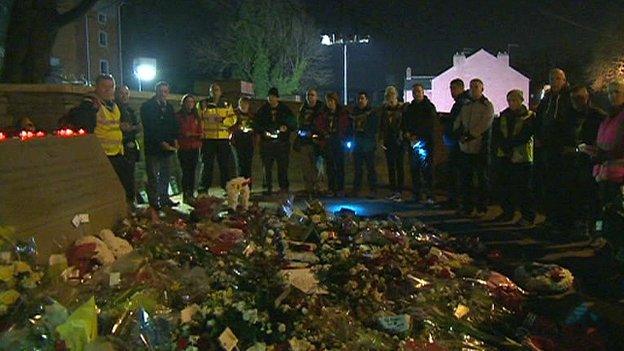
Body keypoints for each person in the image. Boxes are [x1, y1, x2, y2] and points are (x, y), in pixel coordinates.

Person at [70, 74, 133, 205]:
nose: (108, 90)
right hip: (102, 154)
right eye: (104, 87)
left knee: (126, 184)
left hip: (117, 152)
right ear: (96, 87)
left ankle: (127, 210)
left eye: (111, 87)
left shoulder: (113, 105)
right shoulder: (92, 104)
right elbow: (84, 124)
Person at [581, 78, 624, 259]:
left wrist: (604, 154)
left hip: (618, 172)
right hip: (604, 171)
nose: (612, 96)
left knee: (616, 212)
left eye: (617, 92)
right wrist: (594, 150)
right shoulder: (609, 116)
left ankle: (616, 246)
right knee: (603, 210)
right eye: (610, 92)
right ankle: (604, 239)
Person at [534, 68, 576, 232]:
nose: (555, 81)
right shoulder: (547, 98)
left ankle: (563, 222)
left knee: (562, 187)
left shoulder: (568, 98)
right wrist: (538, 136)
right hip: (547, 147)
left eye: (558, 78)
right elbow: (539, 119)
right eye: (552, 78)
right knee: (549, 185)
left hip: (562, 148)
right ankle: (551, 218)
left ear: (564, 80)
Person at [491, 90, 536, 226]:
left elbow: (525, 135)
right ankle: (507, 212)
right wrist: (504, 146)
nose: (511, 103)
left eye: (514, 100)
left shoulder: (529, 116)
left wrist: (509, 145)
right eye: (509, 100)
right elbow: (497, 133)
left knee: (524, 188)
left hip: (522, 157)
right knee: (505, 186)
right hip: (505, 156)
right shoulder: (504, 115)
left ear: (521, 100)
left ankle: (527, 216)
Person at [453, 78, 494, 216]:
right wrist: (459, 133)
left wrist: (469, 135)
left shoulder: (487, 105)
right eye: (471, 87)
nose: (473, 89)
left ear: (482, 89)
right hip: (465, 147)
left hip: (480, 147)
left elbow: (484, 124)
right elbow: (458, 121)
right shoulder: (466, 105)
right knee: (466, 179)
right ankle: (467, 207)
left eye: (476, 87)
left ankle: (482, 208)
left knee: (482, 179)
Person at [570, 85, 607, 234]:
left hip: (594, 163)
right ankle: (585, 227)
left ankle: (598, 231)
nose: (577, 102)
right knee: (581, 196)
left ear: (587, 98)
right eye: (574, 99)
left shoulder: (598, 116)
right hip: (578, 162)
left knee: (596, 200)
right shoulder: (572, 116)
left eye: (580, 98)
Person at [140, 81, 179, 211]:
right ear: (156, 91)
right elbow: (150, 127)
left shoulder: (169, 107)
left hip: (167, 148)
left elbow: (173, 125)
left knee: (165, 174)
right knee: (153, 176)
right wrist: (160, 142)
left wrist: (174, 140)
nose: (163, 94)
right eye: (161, 91)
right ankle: (153, 201)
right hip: (153, 147)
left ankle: (164, 197)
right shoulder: (147, 106)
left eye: (165, 91)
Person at [253, 87, 296, 195]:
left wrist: (286, 127)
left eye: (273, 98)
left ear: (277, 98)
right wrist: (263, 132)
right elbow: (256, 124)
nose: (271, 100)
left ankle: (283, 187)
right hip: (267, 143)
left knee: (282, 167)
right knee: (266, 167)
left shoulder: (284, 109)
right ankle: (267, 187)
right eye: (269, 98)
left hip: (282, 143)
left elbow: (293, 123)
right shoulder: (263, 110)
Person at [199, 83, 237, 192]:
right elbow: (198, 119)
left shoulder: (226, 104)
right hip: (208, 139)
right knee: (207, 165)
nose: (215, 92)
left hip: (223, 138)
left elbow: (233, 118)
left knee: (224, 164)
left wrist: (223, 121)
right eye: (212, 90)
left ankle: (226, 187)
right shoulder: (203, 104)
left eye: (217, 90)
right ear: (209, 92)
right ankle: (203, 188)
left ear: (220, 92)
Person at [402, 83, 437, 203]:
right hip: (412, 142)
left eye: (418, 91)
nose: (416, 94)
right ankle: (417, 194)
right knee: (414, 169)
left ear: (423, 92)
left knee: (427, 170)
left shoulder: (429, 107)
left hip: (425, 143)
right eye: (414, 92)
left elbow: (430, 124)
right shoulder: (410, 108)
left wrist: (417, 135)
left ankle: (430, 195)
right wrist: (407, 133)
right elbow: (405, 122)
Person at [316, 92, 351, 197]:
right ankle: (331, 188)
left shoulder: (342, 113)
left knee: (340, 166)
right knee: (330, 167)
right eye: (328, 101)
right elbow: (319, 126)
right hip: (328, 142)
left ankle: (340, 188)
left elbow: (346, 127)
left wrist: (343, 138)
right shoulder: (324, 113)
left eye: (331, 101)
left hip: (339, 142)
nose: (329, 103)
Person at [442, 79, 471, 207]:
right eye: (450, 88)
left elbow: (460, 122)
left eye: (454, 88)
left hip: (458, 143)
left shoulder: (463, 103)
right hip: (455, 141)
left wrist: (455, 134)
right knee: (454, 172)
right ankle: (454, 200)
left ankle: (456, 201)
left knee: (457, 173)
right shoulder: (460, 102)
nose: (451, 92)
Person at [296, 88, 325, 196]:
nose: (310, 97)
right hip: (304, 142)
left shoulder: (321, 109)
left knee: (318, 167)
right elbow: (299, 123)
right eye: (308, 95)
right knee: (306, 167)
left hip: (316, 142)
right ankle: (309, 188)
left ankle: (319, 187)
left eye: (312, 95)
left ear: (316, 97)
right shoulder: (303, 108)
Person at [115, 85, 141, 204]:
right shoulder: (115, 109)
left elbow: (136, 127)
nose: (124, 96)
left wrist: (131, 128)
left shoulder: (129, 110)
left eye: (126, 93)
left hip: (130, 146)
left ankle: (132, 199)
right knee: (123, 176)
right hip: (119, 147)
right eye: (121, 93)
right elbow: (123, 127)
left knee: (130, 174)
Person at [378, 85, 405, 201]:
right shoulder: (384, 110)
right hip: (389, 141)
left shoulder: (402, 108)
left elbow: (405, 123)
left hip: (399, 141)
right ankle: (393, 190)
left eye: (392, 95)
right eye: (388, 96)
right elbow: (382, 126)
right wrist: (381, 138)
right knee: (391, 166)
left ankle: (400, 191)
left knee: (399, 165)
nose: (390, 98)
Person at [176, 94, 203, 204]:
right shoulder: (178, 116)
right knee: (185, 171)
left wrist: (194, 135)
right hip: (184, 146)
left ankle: (191, 192)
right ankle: (186, 193)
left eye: (192, 102)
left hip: (194, 146)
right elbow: (178, 130)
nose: (190, 104)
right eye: (188, 102)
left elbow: (200, 131)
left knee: (192, 170)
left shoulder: (196, 116)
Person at [351, 91, 378, 198]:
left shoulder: (372, 113)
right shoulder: (355, 112)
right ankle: (356, 189)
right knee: (357, 168)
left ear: (367, 100)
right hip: (357, 143)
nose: (360, 101)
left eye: (362, 98)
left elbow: (374, 128)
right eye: (359, 99)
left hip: (368, 144)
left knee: (370, 168)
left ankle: (373, 189)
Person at [231, 97, 255, 181]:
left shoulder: (252, 115)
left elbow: (256, 127)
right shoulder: (234, 114)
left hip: (249, 142)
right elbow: (230, 125)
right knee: (239, 164)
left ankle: (248, 186)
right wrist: (237, 128)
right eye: (241, 104)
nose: (243, 106)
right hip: (237, 142)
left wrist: (251, 129)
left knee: (248, 165)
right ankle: (241, 185)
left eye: (245, 104)